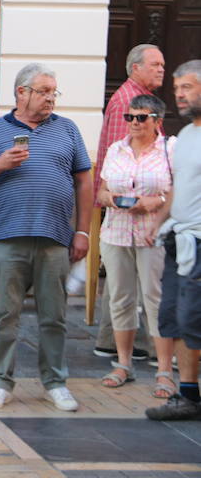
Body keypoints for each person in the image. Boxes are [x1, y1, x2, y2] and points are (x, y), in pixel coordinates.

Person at [0, 63, 92, 412]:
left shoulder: (68, 129)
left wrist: (82, 230)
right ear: (22, 92)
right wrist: (0, 164)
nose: (50, 98)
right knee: (6, 314)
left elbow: (84, 180)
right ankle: (1, 381)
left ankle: (55, 382)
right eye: (44, 91)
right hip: (6, 236)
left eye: (53, 91)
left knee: (55, 315)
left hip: (55, 237)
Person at [96, 94, 175, 397]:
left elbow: (181, 190)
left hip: (153, 234)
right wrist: (112, 199)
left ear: (157, 121)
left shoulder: (170, 149)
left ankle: (165, 369)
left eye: (140, 118)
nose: (133, 123)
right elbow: (102, 190)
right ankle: (123, 363)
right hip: (116, 232)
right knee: (120, 298)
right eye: (130, 118)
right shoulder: (117, 149)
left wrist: (157, 201)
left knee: (155, 298)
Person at [92, 44, 165, 361]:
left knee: (127, 284)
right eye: (155, 64)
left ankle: (111, 340)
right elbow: (125, 156)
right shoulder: (128, 100)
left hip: (134, 214)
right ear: (135, 67)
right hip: (126, 211)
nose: (161, 69)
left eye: (162, 64)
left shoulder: (132, 97)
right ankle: (146, 347)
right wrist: (127, 198)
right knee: (135, 285)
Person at [146, 59, 201, 421]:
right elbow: (178, 189)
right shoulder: (185, 137)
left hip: (199, 243)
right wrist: (158, 221)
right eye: (177, 87)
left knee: (192, 318)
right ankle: (189, 395)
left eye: (188, 87)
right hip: (176, 241)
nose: (179, 94)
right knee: (172, 318)